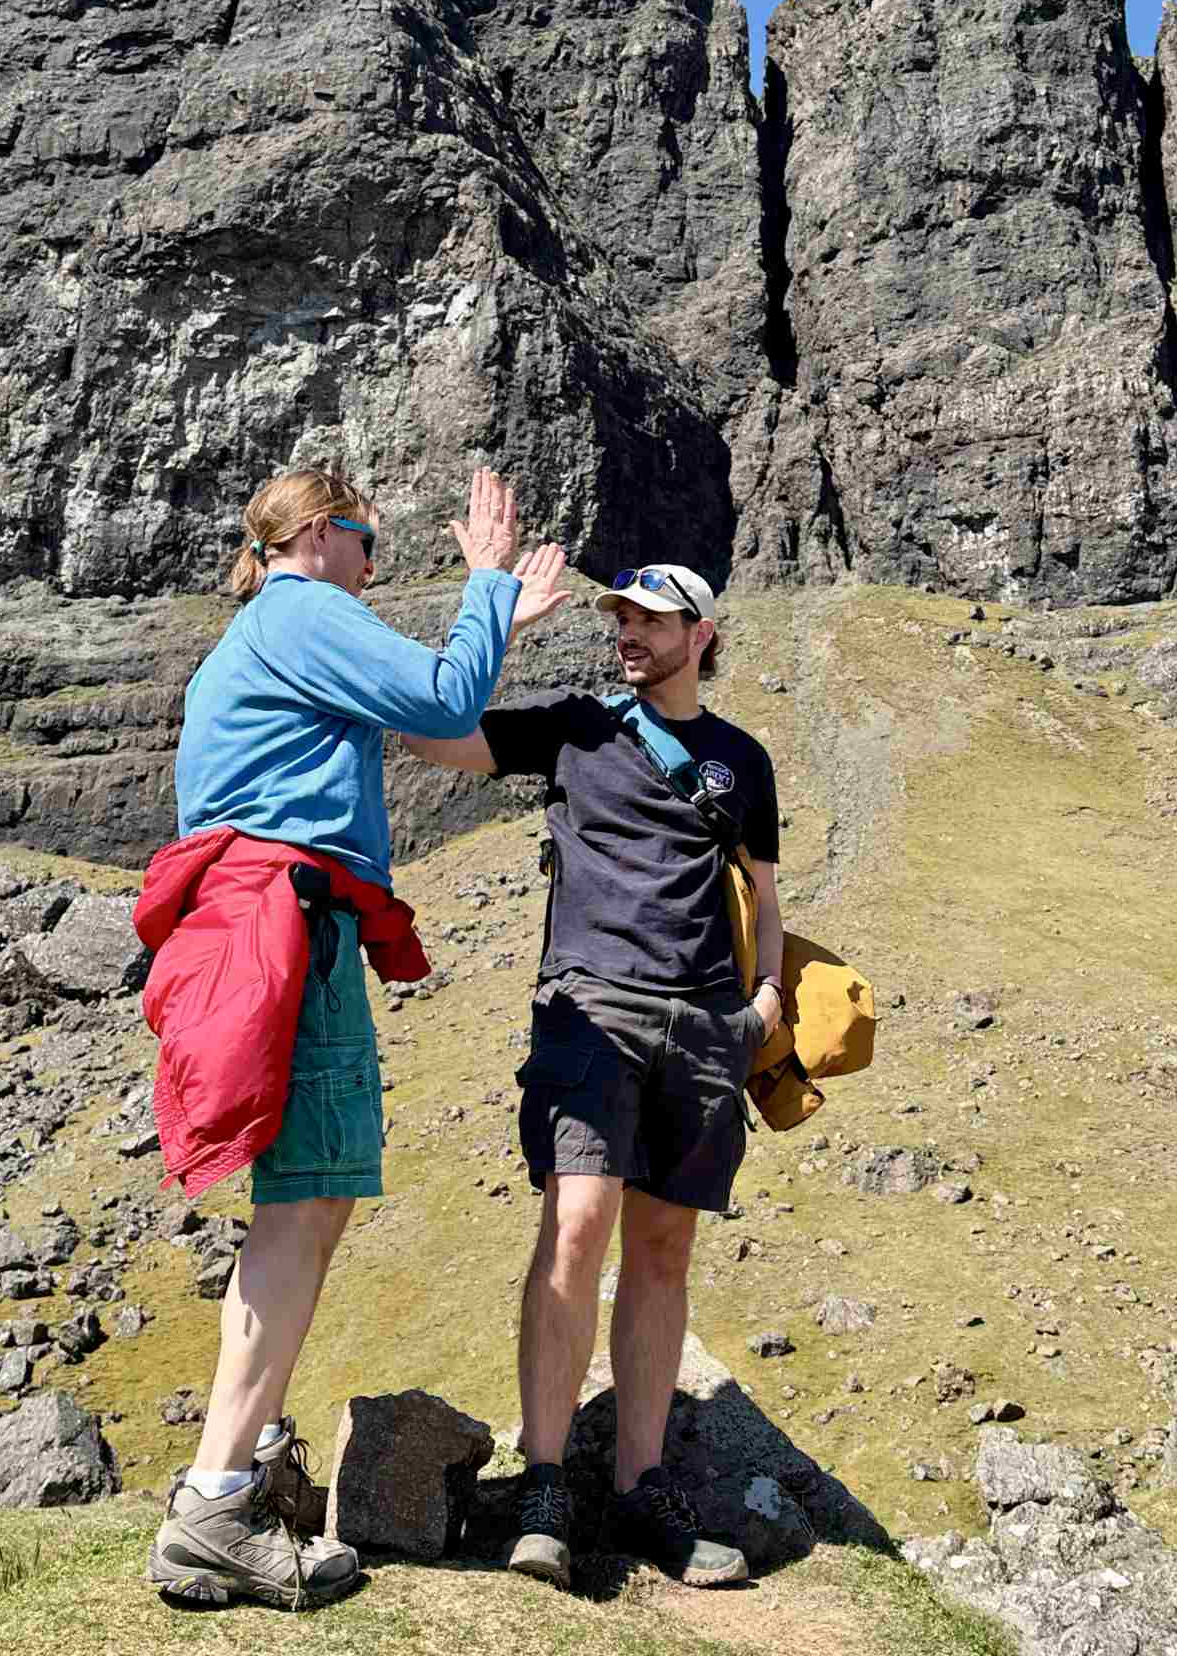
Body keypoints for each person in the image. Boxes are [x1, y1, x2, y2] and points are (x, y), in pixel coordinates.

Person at [142, 465, 570, 1612]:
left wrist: (501, 620)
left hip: (254, 931)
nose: (374, 567)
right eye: (370, 543)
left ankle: (236, 1466)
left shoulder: (263, 634)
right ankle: (216, 1503)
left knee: (301, 1204)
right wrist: (485, 581)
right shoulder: (302, 610)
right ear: (321, 533)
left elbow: (436, 701)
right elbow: (441, 697)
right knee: (305, 1206)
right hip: (293, 930)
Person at [401, 563, 784, 1591]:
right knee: (577, 1222)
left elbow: (762, 892)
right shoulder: (576, 727)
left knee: (664, 1249)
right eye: (621, 616)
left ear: (700, 635)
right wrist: (496, 625)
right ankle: (544, 1487)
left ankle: (640, 1488)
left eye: (651, 620)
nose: (629, 632)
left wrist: (765, 999)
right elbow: (431, 734)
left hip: (704, 1023)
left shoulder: (742, 759)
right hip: (592, 1006)